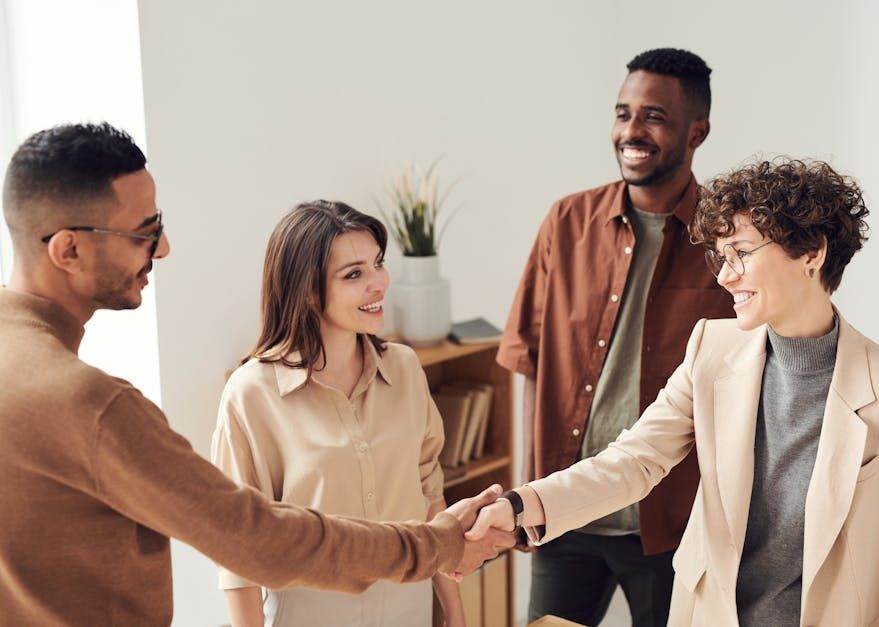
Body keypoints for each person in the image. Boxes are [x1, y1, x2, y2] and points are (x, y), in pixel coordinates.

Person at [0, 122, 513, 626]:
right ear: (67, 249)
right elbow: (253, 539)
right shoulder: (92, 404)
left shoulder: (402, 368)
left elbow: (424, 486)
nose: (163, 248)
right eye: (144, 234)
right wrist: (436, 544)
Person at [471, 157, 876, 626]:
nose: (726, 277)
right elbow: (633, 460)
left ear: (812, 253)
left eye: (741, 252)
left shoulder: (872, 383)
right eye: (721, 258)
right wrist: (520, 506)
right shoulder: (711, 349)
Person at [496, 47, 731, 625]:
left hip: (672, 524)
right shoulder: (565, 223)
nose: (632, 130)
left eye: (653, 116)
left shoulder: (727, 238)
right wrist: (530, 491)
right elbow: (526, 361)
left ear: (696, 131)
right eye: (623, 113)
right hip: (565, 512)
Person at [211, 200, 465, 626]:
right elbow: (237, 551)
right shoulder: (253, 393)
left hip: (410, 614)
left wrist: (454, 614)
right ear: (308, 291)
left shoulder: (404, 369)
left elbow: (430, 498)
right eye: (354, 274)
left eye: (378, 264)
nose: (378, 283)